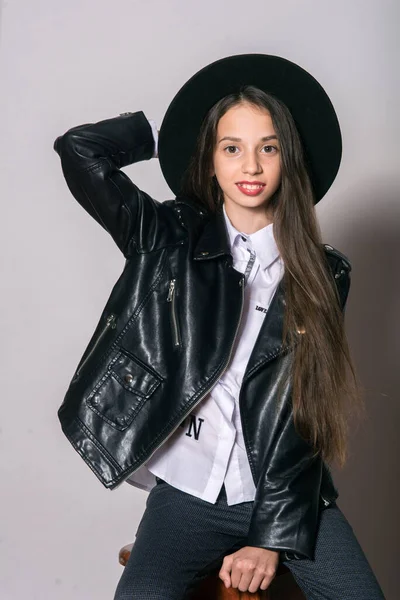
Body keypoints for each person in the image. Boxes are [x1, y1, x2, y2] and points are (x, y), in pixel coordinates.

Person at [53, 54, 385, 599]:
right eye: (231, 148)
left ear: (287, 161)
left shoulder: (325, 272)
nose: (250, 167)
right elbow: (79, 150)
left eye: (268, 148)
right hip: (188, 494)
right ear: (210, 159)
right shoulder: (169, 239)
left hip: (282, 490)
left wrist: (272, 537)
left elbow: (304, 409)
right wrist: (166, 134)